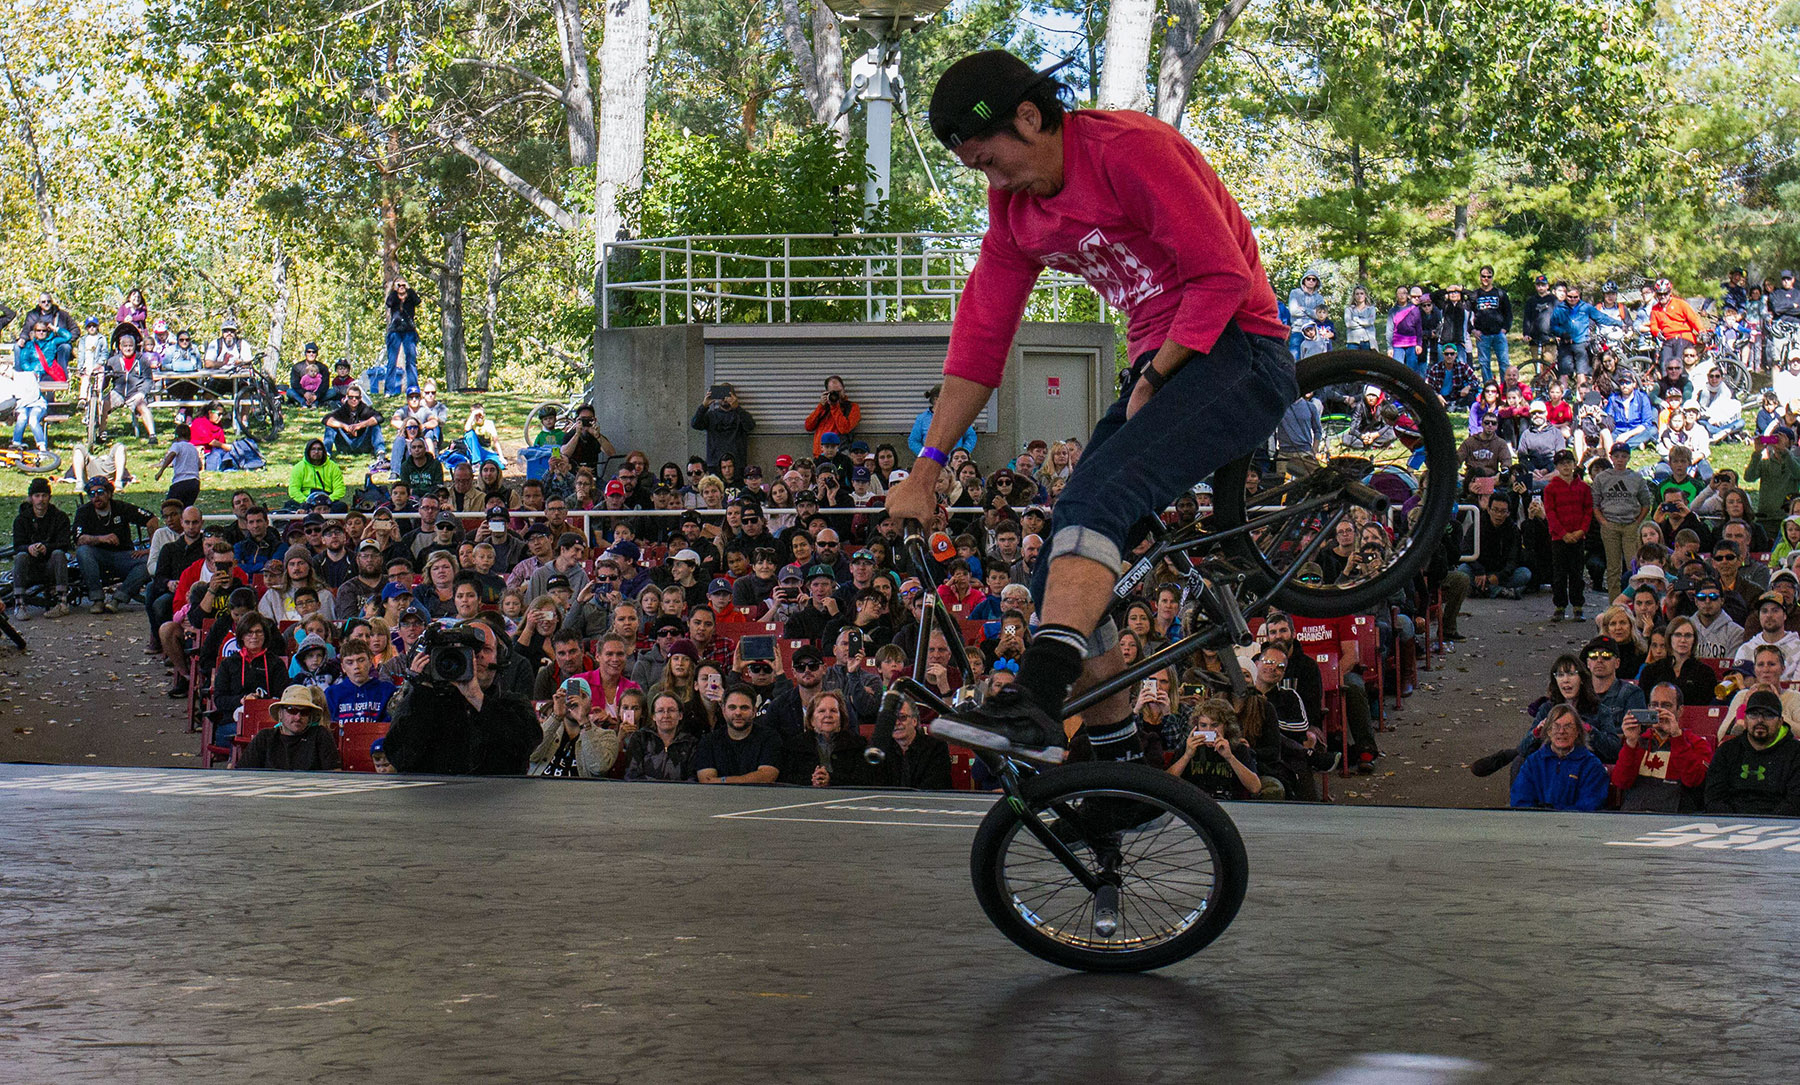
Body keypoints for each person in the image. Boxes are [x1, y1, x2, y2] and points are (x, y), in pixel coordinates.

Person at [886, 50, 1296, 763]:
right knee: (1061, 588)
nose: (993, 179)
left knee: (1095, 503)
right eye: (978, 170)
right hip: (1158, 360)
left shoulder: (1131, 151)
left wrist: (1159, 373)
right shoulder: (1015, 211)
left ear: (1029, 115)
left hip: (1235, 344)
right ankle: (1115, 763)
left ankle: (1037, 702)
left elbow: (1220, 274)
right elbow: (981, 337)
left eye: (992, 160)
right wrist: (925, 469)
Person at [382, 620, 539, 774]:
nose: (476, 657)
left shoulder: (514, 703)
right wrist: (422, 691)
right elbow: (400, 757)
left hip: (497, 796)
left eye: (486, 649)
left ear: (500, 658)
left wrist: (476, 697)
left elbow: (526, 745)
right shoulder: (426, 700)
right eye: (468, 651)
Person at [1703, 689, 1800, 815]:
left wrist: (1766, 824)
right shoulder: (1727, 750)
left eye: (1768, 715)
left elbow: (1795, 801)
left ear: (1780, 722)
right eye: (1753, 714)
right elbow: (1713, 798)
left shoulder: (1796, 752)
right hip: (1729, 823)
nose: (1760, 720)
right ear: (1745, 720)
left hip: (1780, 825)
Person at [72, 477, 155, 613]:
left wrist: (152, 549)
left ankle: (119, 598)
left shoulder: (121, 507)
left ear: (109, 493)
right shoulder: (84, 511)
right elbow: (79, 539)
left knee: (149, 562)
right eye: (92, 494)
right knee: (83, 551)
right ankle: (97, 599)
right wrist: (101, 539)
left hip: (124, 556)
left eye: (100, 492)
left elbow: (151, 519)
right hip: (98, 557)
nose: (96, 497)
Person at [1509, 704, 1609, 811]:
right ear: (1548, 731)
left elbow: (1589, 805)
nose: (1561, 731)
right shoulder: (1533, 763)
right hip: (1536, 824)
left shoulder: (1592, 766)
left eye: (1568, 726)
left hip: (1576, 825)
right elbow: (1520, 801)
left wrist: (1555, 814)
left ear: (1578, 732)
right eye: (1556, 726)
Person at [1166, 696, 1263, 799]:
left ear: (1226, 726)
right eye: (1203, 725)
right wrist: (1187, 756)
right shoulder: (1189, 747)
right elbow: (1166, 783)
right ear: (1196, 726)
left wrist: (1230, 757)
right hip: (1196, 803)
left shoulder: (1238, 748)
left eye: (1214, 725)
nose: (1209, 730)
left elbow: (1255, 787)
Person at [529, 676, 620, 778]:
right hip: (541, 790)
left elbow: (598, 767)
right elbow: (532, 756)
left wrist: (583, 721)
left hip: (579, 792)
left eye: (582, 696)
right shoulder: (547, 728)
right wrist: (556, 716)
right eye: (568, 695)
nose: (575, 701)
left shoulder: (607, 736)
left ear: (591, 704)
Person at [237, 685, 342, 771]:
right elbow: (242, 774)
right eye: (292, 710)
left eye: (304, 712)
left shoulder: (320, 735)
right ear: (280, 713)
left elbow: (335, 775)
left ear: (310, 716)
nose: (298, 717)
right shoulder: (265, 738)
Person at [10, 478, 73, 617]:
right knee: (21, 556)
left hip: (52, 565)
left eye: (44, 495)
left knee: (58, 553)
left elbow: (65, 544)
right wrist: (28, 548)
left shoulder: (60, 517)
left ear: (49, 497)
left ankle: (62, 603)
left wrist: (47, 548)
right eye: (37, 496)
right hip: (30, 566)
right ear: (31, 498)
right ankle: (19, 605)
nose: (41, 500)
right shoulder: (21, 519)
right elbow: (17, 546)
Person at [1543, 449, 1593, 622]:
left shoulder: (1584, 487)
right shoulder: (1550, 488)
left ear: (1574, 464)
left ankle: (1578, 606)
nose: (1566, 466)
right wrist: (1563, 534)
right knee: (1559, 574)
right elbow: (1550, 513)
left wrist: (1581, 532)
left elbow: (1588, 511)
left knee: (1577, 574)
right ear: (1556, 466)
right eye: (1561, 464)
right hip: (1559, 538)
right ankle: (1560, 605)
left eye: (1569, 463)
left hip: (1578, 537)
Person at [694, 688, 781, 784]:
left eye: (744, 708)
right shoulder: (708, 741)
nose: (738, 713)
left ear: (754, 711)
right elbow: (706, 781)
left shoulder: (769, 738)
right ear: (723, 711)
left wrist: (723, 780)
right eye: (732, 707)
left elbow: (767, 776)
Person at [869, 694, 954, 789]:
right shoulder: (882, 749)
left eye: (902, 717)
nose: (896, 723)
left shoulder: (936, 747)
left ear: (914, 721)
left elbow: (935, 785)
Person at [689, 381, 754, 468]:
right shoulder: (711, 415)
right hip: (715, 464)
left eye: (728, 395)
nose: (724, 398)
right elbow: (695, 424)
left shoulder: (740, 415)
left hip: (737, 464)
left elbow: (750, 426)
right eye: (721, 394)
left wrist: (737, 407)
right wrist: (704, 406)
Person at [381, 278, 422, 395]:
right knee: (392, 361)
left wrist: (409, 290)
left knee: (411, 361)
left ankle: (413, 389)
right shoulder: (393, 297)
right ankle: (389, 390)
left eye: (403, 285)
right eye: (399, 285)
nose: (401, 287)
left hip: (409, 331)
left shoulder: (410, 297)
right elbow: (388, 303)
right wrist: (395, 291)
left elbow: (418, 301)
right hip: (395, 331)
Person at [1471, 265, 1512, 381]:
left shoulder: (1500, 294)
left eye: (1489, 276)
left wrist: (1505, 329)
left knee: (1504, 363)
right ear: (1480, 277)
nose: (1486, 279)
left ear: (1492, 278)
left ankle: (1505, 390)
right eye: (1483, 276)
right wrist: (1473, 330)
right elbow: (1467, 313)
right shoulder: (1475, 295)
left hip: (1498, 334)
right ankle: (1489, 390)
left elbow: (1508, 313)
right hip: (1482, 336)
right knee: (1484, 364)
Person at [804, 375, 861, 456]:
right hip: (820, 454)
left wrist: (835, 407)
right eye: (833, 393)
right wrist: (821, 406)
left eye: (839, 392)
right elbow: (808, 426)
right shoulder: (824, 407)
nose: (836, 395)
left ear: (844, 389)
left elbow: (844, 428)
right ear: (827, 392)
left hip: (840, 453)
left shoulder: (852, 407)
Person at [287, 438, 347, 510]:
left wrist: (329, 499)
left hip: (328, 500)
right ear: (308, 451)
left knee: (341, 506)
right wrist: (305, 501)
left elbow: (340, 489)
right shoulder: (299, 467)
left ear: (323, 451)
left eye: (319, 449)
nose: (316, 452)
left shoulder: (333, 466)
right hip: (306, 500)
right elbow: (293, 489)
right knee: (289, 505)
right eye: (313, 449)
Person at [324, 385, 382, 458]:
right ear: (346, 398)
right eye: (351, 397)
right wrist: (344, 426)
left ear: (360, 398)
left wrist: (360, 425)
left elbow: (379, 417)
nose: (354, 399)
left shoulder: (365, 409)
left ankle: (380, 453)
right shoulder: (342, 410)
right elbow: (326, 419)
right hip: (345, 445)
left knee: (375, 424)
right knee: (331, 425)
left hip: (363, 444)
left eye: (357, 397)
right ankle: (326, 454)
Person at [153, 423, 203, 507]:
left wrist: (161, 471)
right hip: (194, 483)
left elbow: (172, 454)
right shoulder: (193, 448)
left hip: (181, 482)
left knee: (169, 507)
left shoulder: (177, 445)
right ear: (190, 437)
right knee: (186, 509)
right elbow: (199, 466)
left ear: (176, 437)